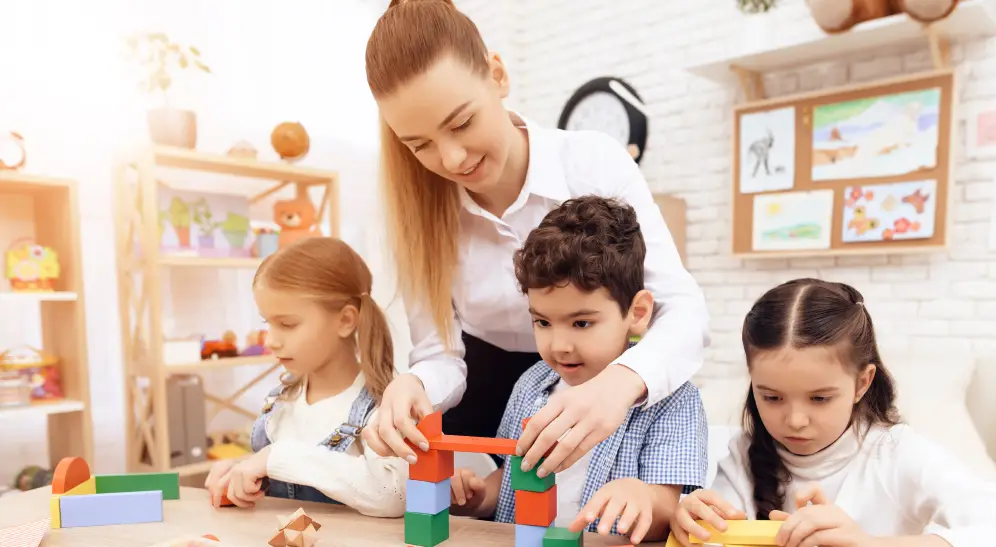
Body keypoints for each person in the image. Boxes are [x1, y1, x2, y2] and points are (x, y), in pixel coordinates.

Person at [361, 0, 710, 478]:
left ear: (497, 75)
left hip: (600, 387)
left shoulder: (592, 163)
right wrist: (414, 384)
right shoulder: (414, 213)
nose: (453, 158)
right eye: (419, 145)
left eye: (461, 123)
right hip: (480, 406)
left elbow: (682, 309)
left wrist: (620, 383)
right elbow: (439, 356)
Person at [669, 279, 996, 547]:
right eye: (771, 397)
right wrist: (690, 523)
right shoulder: (743, 453)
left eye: (820, 398)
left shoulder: (897, 455)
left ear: (862, 383)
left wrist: (870, 544)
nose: (794, 420)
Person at [446, 196, 708, 544]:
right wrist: (479, 497)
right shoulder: (530, 384)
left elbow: (666, 510)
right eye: (542, 322)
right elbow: (511, 476)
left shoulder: (674, 400)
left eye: (581, 323)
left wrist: (642, 497)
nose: (559, 346)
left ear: (638, 313)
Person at [205, 237, 408, 517]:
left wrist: (275, 458)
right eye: (268, 323)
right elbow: (280, 471)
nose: (271, 340)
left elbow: (394, 496)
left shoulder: (385, 405)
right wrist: (242, 470)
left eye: (287, 324)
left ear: (345, 321)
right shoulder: (281, 401)